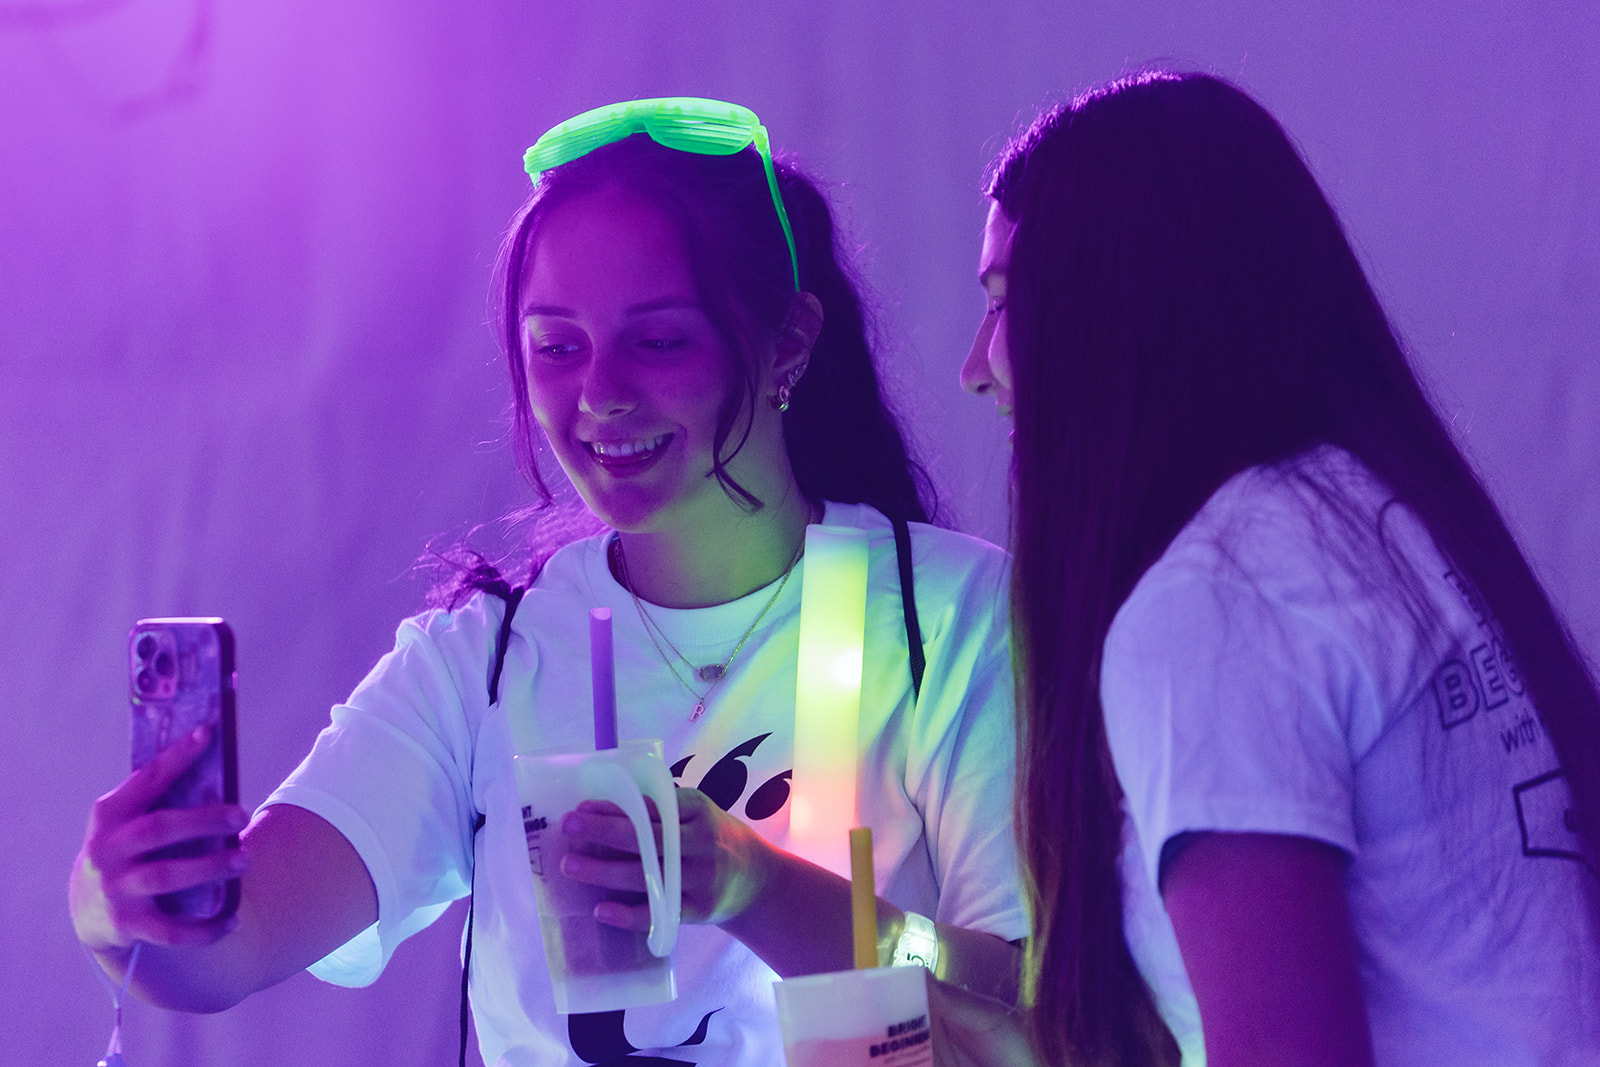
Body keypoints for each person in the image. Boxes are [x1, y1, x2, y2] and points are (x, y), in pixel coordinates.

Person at [71, 98, 1025, 1066]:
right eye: (556, 346)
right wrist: (119, 906)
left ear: (786, 342)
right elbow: (221, 957)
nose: (600, 392)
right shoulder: (483, 656)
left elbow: (1020, 996)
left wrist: (757, 886)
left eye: (658, 340)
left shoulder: (944, 615)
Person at [961, 72, 1600, 1066]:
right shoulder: (1370, 511)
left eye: (1005, 301)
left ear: (1111, 308)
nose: (977, 363)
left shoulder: (1218, 605)